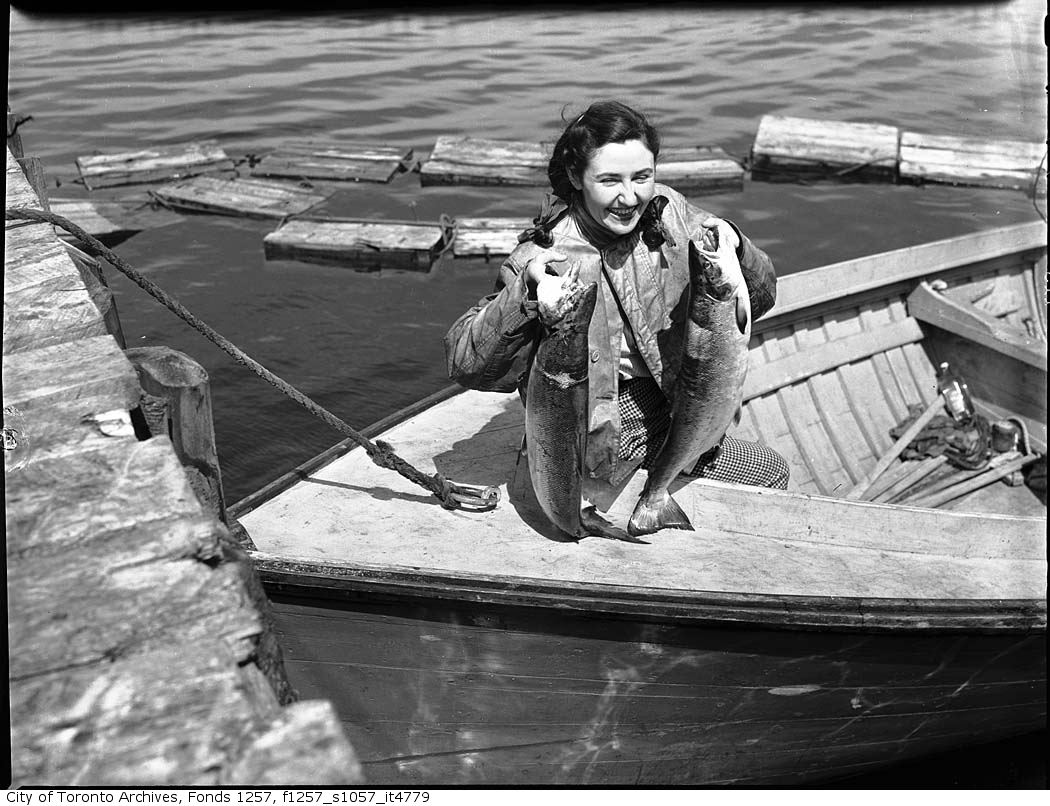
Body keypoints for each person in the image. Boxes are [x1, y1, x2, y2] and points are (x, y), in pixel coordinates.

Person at [444, 100, 789, 509]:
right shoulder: (542, 259)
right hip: (595, 432)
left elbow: (761, 299)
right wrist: (526, 294)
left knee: (768, 469)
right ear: (575, 176)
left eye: (642, 176)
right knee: (770, 472)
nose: (629, 197)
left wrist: (737, 243)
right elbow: (467, 365)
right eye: (609, 180)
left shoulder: (669, 210)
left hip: (670, 401)